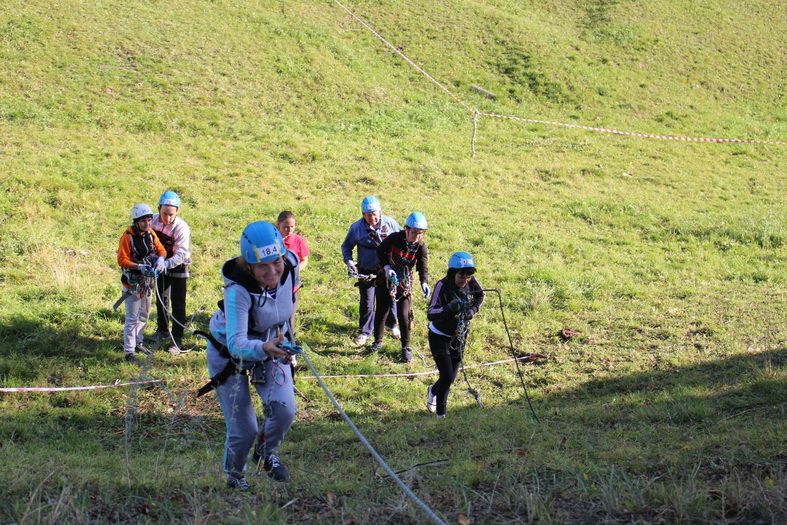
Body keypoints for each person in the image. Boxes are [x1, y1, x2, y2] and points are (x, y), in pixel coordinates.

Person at [203, 221, 300, 489]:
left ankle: (266, 454)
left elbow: (289, 304)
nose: (272, 271)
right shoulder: (238, 292)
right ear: (249, 266)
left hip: (272, 343)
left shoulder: (290, 267)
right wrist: (264, 349)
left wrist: (288, 342)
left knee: (284, 411)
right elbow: (236, 344)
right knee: (244, 428)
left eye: (276, 262)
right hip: (229, 356)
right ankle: (235, 476)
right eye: (262, 266)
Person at [426, 252, 484, 418]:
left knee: (451, 378)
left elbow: (480, 296)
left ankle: (433, 390)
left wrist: (472, 310)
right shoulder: (442, 285)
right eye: (461, 274)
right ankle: (441, 414)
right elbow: (431, 312)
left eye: (468, 274)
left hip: (459, 337)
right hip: (440, 336)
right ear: (452, 273)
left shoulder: (471, 282)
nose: (465, 278)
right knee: (447, 375)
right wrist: (448, 308)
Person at [370, 212, 430, 363]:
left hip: (404, 282)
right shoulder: (395, 238)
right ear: (406, 229)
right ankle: (377, 342)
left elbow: (422, 265)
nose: (417, 236)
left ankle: (405, 347)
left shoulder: (420, 246)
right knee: (382, 310)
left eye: (420, 233)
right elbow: (380, 251)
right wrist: (386, 267)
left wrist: (424, 282)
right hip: (386, 278)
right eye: (414, 232)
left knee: (404, 315)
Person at [341, 196, 401, 346]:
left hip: (388, 271)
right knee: (367, 302)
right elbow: (346, 246)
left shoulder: (391, 224)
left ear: (380, 211)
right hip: (366, 271)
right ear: (363, 214)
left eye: (374, 214)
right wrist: (349, 261)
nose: (372, 218)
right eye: (368, 215)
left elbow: (402, 241)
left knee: (390, 298)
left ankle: (392, 325)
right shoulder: (356, 228)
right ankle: (365, 331)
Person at [117, 204, 167, 363]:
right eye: (143, 221)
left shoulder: (150, 234)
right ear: (136, 222)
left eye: (149, 220)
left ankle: (139, 342)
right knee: (132, 317)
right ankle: (129, 351)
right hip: (133, 284)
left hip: (147, 282)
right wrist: (138, 266)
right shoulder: (127, 237)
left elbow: (162, 250)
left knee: (144, 315)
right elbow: (121, 259)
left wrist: (160, 259)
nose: (147, 223)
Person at [151, 190, 191, 355]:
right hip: (160, 264)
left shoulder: (181, 228)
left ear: (177, 212)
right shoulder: (152, 221)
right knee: (161, 299)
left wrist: (166, 264)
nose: (167, 218)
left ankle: (177, 338)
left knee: (178, 302)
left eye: (171, 214)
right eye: (164, 213)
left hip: (178, 265)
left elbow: (181, 253)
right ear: (159, 208)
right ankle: (162, 330)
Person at [276, 210, 309, 332]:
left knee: (290, 313)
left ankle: (290, 340)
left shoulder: (298, 240)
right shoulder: (272, 239)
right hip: (274, 283)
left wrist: (295, 270)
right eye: (285, 227)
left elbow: (304, 260)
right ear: (278, 225)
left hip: (292, 284)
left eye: (292, 227)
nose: (289, 230)